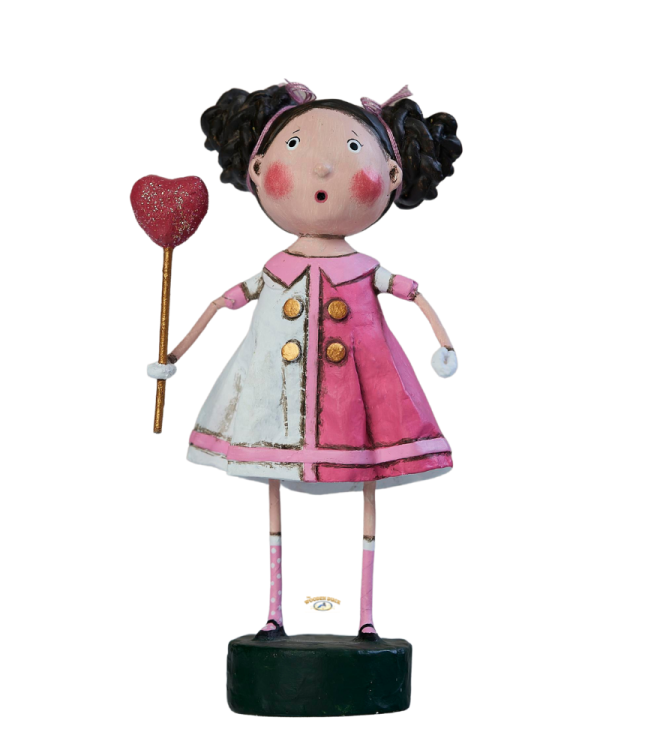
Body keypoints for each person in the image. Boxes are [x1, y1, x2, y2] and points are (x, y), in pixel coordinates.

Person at [148, 82, 463, 641]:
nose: (322, 167)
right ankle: (275, 610)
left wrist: (443, 344)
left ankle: (364, 614)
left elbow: (414, 296)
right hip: (275, 399)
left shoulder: (364, 269)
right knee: (273, 489)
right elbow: (221, 305)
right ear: (257, 169)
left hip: (362, 394)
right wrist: (173, 357)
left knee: (368, 478)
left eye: (351, 150)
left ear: (392, 176)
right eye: (295, 148)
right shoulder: (276, 269)